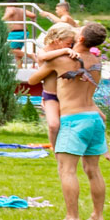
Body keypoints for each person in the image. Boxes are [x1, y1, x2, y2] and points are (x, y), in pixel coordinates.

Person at [38, 22, 109, 220]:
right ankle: (98, 216)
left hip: (74, 120)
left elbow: (34, 78)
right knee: (93, 170)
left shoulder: (62, 60)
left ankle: (72, 219)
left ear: (80, 39)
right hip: (94, 118)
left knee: (67, 169)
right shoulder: (96, 60)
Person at [22, 24, 79, 152]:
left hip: (66, 95)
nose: (70, 46)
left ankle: (67, 149)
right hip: (51, 95)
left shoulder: (66, 52)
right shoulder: (45, 52)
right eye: (68, 43)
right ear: (58, 41)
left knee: (69, 125)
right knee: (53, 125)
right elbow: (42, 58)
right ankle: (56, 150)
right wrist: (65, 51)